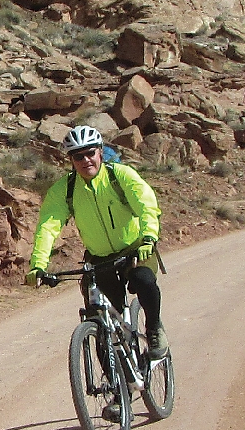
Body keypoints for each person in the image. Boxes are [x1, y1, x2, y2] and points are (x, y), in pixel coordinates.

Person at [25, 125, 168, 358]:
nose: (86, 160)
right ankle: (113, 386)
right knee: (99, 320)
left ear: (100, 152)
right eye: (78, 156)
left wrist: (149, 238)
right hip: (100, 258)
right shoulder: (65, 190)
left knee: (143, 280)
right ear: (71, 160)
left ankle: (154, 329)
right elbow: (48, 227)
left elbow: (146, 206)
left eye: (90, 153)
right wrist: (38, 265)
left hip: (135, 249)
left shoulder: (119, 175)